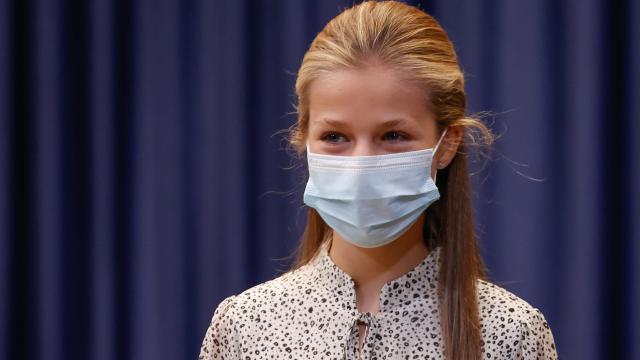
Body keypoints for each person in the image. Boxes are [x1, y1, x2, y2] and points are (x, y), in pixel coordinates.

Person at [199, 1, 557, 359]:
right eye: (336, 137)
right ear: (304, 139)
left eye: (394, 136)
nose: (361, 165)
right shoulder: (245, 326)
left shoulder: (510, 334)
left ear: (446, 144)